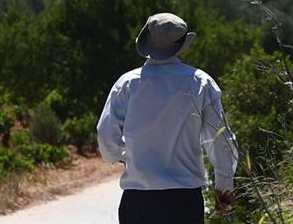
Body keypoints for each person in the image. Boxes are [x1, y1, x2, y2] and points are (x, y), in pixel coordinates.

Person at [97, 12, 238, 224]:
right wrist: (223, 186)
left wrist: (122, 156)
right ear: (182, 45)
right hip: (183, 202)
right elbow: (220, 139)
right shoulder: (200, 82)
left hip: (138, 201)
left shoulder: (127, 84)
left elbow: (106, 135)